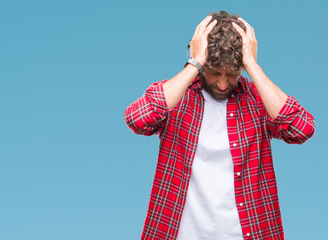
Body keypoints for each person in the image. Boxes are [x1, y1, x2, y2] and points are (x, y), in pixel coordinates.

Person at [124, 10, 315, 240]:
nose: (223, 84)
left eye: (231, 74)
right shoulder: (178, 96)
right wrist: (194, 62)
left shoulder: (256, 100)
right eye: (215, 72)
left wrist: (252, 65)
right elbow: (136, 119)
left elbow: (301, 128)